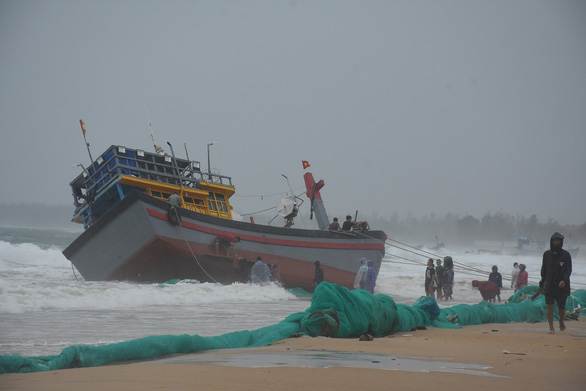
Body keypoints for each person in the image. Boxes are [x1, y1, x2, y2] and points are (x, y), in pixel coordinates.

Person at [538, 232, 572, 334]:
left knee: (561, 309)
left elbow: (568, 270)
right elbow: (544, 270)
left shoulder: (566, 255)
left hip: (561, 285)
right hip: (549, 284)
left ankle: (561, 320)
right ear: (551, 241)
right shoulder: (546, 254)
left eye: (558, 240)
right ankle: (551, 327)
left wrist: (564, 281)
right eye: (554, 240)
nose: (556, 242)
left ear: (561, 242)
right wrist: (541, 283)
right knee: (550, 306)